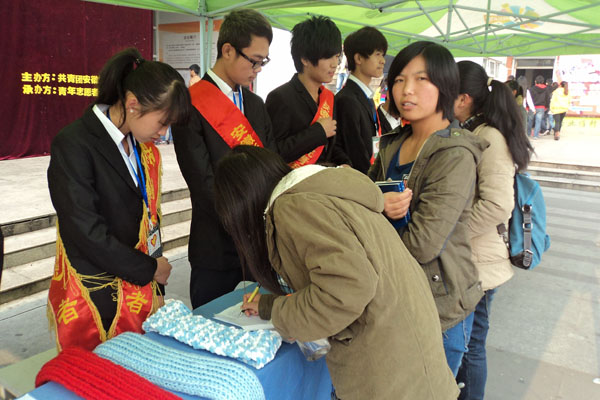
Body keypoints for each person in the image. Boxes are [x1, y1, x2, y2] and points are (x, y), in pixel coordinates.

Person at [214, 145, 459, 400]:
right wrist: (268, 306)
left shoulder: (293, 207)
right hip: (407, 345)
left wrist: (280, 314)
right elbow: (342, 276)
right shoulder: (323, 192)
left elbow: (346, 290)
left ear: (242, 206)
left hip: (387, 366)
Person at [46, 48, 191, 351]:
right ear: (133, 104)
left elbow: (149, 218)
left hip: (140, 288)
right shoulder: (74, 144)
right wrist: (148, 269)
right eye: (162, 123)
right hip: (98, 296)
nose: (164, 134)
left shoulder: (142, 147)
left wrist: (154, 272)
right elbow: (86, 231)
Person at [368, 41, 486, 376]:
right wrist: (376, 204)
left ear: (445, 86)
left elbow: (422, 244)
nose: (407, 90)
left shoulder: (455, 154)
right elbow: (364, 204)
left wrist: (370, 222)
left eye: (422, 79)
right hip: (391, 296)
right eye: (399, 79)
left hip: (437, 306)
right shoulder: (392, 143)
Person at [172, 9, 277, 309]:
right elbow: (202, 182)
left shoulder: (256, 105)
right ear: (228, 50)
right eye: (254, 60)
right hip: (216, 249)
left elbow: (271, 164)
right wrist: (247, 219)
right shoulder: (190, 104)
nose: (258, 69)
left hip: (259, 248)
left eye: (264, 61)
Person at [453, 61, 533, 400]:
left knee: (470, 345)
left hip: (480, 263)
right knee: (469, 343)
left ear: (464, 98)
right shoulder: (476, 131)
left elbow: (498, 205)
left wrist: (451, 233)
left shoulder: (489, 137)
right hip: (475, 258)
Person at [265, 16, 350, 168]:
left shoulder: (329, 98)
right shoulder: (280, 98)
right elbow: (274, 152)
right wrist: (318, 132)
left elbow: (331, 147)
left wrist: (344, 163)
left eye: (337, 56)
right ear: (304, 59)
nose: (334, 64)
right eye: (328, 57)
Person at [334, 26, 388, 174]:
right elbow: (354, 151)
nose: (383, 61)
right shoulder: (347, 99)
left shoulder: (365, 97)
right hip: (359, 177)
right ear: (358, 58)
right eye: (377, 54)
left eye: (383, 55)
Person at [529, 75, 551, 139]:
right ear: (543, 81)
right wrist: (546, 106)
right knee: (538, 121)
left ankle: (528, 134)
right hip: (541, 107)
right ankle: (535, 136)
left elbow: (529, 98)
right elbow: (547, 98)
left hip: (532, 107)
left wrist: (528, 106)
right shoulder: (546, 89)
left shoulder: (532, 89)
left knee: (530, 121)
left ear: (535, 81)